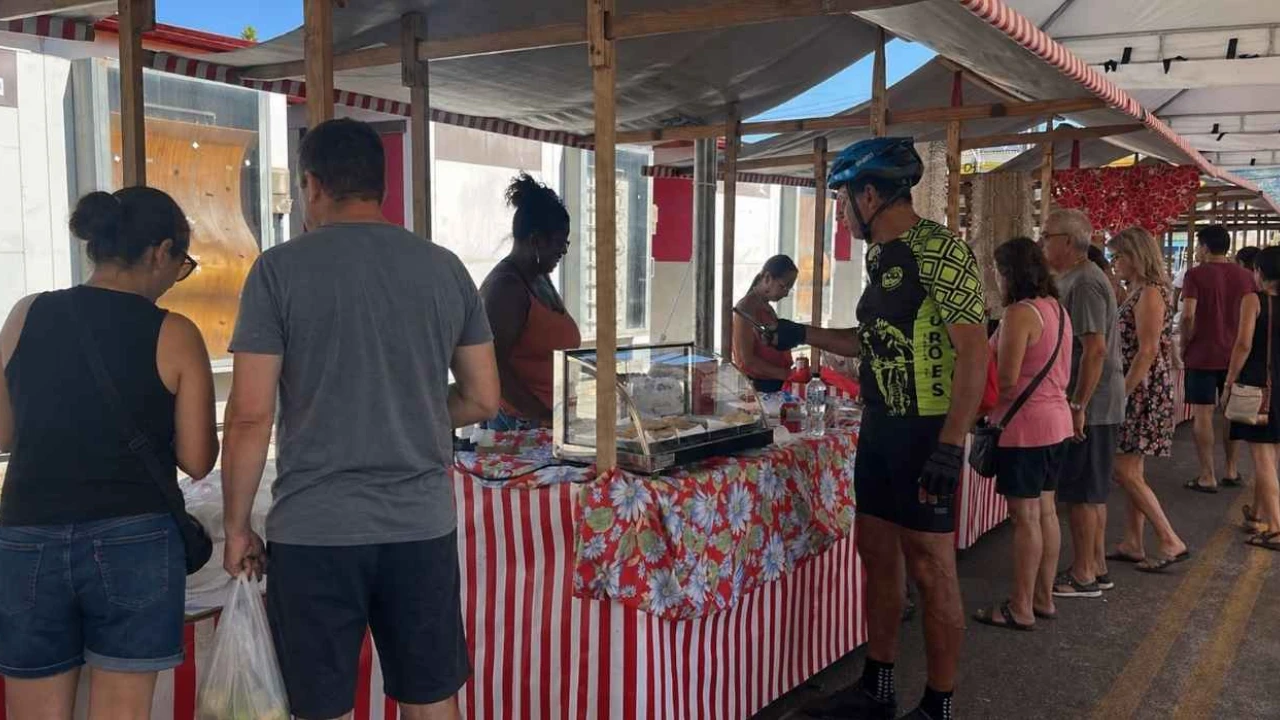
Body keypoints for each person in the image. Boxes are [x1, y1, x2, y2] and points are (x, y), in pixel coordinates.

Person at [221, 118, 500, 720]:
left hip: (315, 530)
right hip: (419, 525)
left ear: (312, 185)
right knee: (431, 698)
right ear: (382, 188)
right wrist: (421, 412)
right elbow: (482, 398)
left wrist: (238, 526)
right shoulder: (444, 268)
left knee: (320, 706)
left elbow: (249, 416)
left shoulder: (277, 272)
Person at [779, 137, 988, 720]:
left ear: (869, 194)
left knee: (931, 563)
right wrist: (803, 333)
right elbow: (871, 342)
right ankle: (879, 685)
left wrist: (951, 444)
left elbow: (973, 353)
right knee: (875, 551)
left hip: (927, 431)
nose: (842, 213)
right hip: (880, 426)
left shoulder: (940, 250)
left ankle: (938, 705)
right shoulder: (880, 258)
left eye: (843, 199)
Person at [0, 188, 218, 718]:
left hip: (28, 532)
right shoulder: (175, 333)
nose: (175, 278)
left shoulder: (28, 313)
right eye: (181, 265)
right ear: (160, 252)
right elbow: (196, 459)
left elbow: (2, 436)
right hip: (134, 537)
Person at [973, 238, 1073, 630]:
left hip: (1025, 427)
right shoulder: (1057, 310)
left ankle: (1021, 606)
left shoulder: (1019, 314)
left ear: (1009, 273)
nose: (996, 279)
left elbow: (1009, 379)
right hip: (1057, 423)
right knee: (1047, 512)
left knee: (1025, 518)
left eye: (997, 271)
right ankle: (1043, 598)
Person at [1040, 209, 1125, 598]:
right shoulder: (1074, 278)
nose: (1043, 243)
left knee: (1081, 493)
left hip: (1093, 402)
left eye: (1047, 237)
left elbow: (1094, 351)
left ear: (1069, 242)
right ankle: (1096, 566)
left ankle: (1084, 573)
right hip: (1090, 401)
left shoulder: (1086, 282)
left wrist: (1078, 405)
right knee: (1086, 490)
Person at [1107, 227, 1188, 573]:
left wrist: (1122, 393)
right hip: (1140, 386)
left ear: (1135, 257)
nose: (1115, 264)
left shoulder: (1149, 294)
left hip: (1140, 388)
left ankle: (1169, 538)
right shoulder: (1139, 290)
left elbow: (1148, 350)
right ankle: (1133, 540)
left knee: (1124, 469)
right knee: (1133, 470)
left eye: (1118, 256)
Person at [479, 173, 581, 430]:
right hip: (519, 425)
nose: (563, 251)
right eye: (559, 243)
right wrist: (543, 415)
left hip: (550, 421)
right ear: (536, 240)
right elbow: (492, 367)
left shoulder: (539, 278)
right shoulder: (506, 288)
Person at [1180, 225, 1256, 493]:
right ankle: (1232, 470)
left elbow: (1188, 314)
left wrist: (1184, 343)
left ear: (1204, 246)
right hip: (1236, 355)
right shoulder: (1246, 276)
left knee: (1203, 414)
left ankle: (1207, 475)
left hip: (1201, 354)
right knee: (1231, 414)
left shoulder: (1195, 275)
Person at [1226, 246, 1280, 549]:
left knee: (1262, 457)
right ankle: (1259, 514)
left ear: (1260, 272)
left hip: (1260, 386)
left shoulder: (1254, 301)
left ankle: (1275, 527)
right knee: (1272, 456)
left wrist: (1230, 380)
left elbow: (1243, 344)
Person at [733, 254, 799, 392]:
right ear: (767, 278)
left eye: (789, 289)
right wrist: (787, 374)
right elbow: (747, 361)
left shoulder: (765, 306)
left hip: (775, 383)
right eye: (783, 286)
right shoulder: (745, 309)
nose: (786, 294)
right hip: (759, 387)